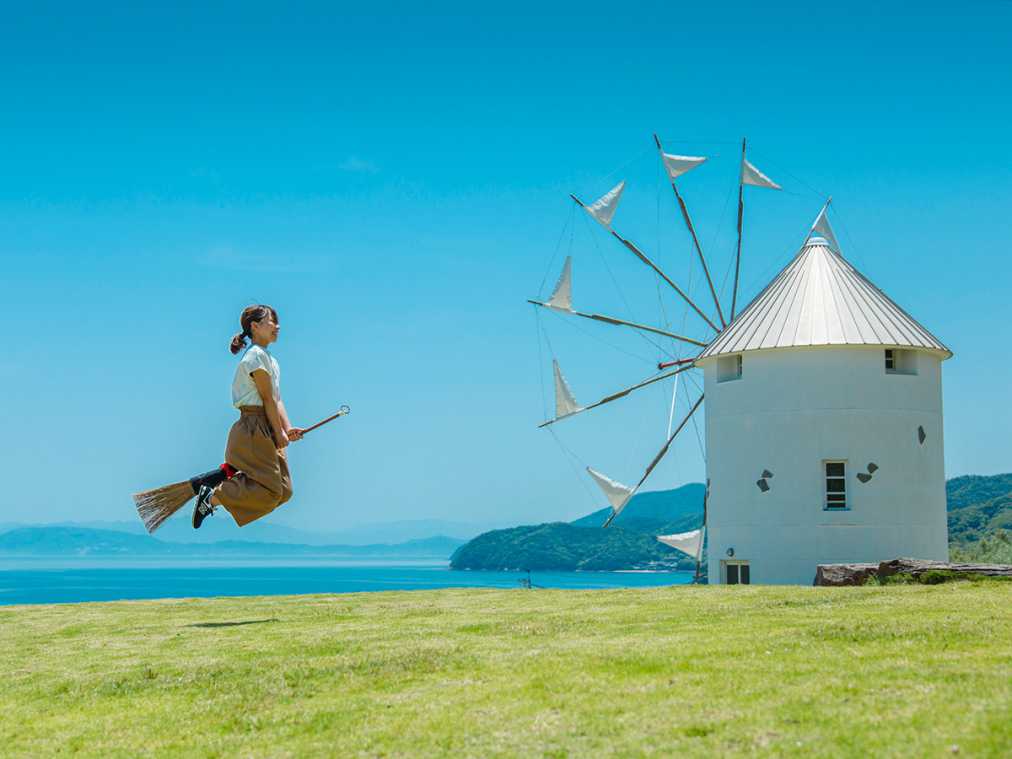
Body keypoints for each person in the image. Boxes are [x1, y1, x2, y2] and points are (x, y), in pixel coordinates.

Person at [193, 304, 304, 529]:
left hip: (267, 426)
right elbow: (268, 399)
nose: (278, 326)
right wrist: (280, 431)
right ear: (255, 326)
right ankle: (212, 497)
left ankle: (218, 489)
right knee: (272, 490)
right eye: (272, 321)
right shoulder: (255, 356)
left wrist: (288, 428)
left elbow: (277, 399)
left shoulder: (270, 359)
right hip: (253, 426)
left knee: (284, 491)